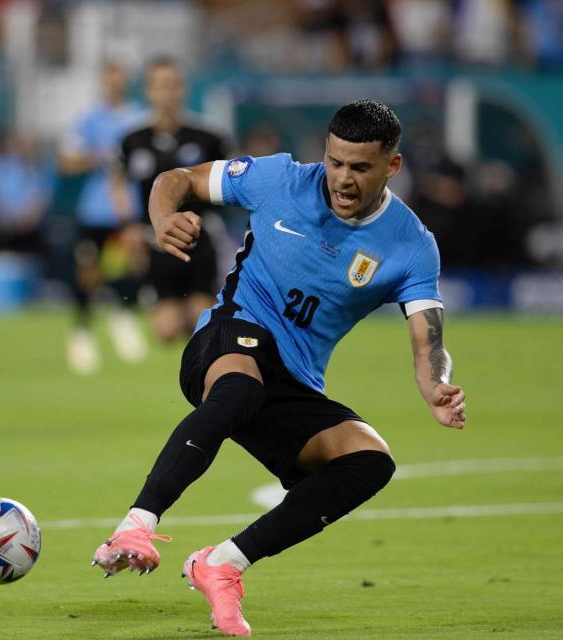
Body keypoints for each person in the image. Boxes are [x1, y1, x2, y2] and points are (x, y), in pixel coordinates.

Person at [91, 100, 466, 636]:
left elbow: (428, 339)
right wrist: (161, 219)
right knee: (240, 389)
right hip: (227, 335)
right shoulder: (277, 178)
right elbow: (175, 180)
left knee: (368, 462)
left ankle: (222, 564)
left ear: (393, 166)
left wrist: (437, 385)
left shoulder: (410, 245)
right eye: (335, 161)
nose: (341, 178)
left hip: (292, 380)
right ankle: (135, 528)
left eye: (360, 167)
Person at [114, 57, 232, 343]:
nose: (167, 93)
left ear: (183, 89)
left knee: (202, 325)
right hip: (155, 242)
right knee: (166, 331)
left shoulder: (209, 137)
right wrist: (129, 224)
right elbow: (117, 182)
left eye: (173, 85)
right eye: (161, 86)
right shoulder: (133, 139)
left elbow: (231, 183)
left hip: (199, 241)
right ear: (148, 91)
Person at [58, 61, 147, 374]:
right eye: (109, 81)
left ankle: (124, 318)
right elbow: (66, 160)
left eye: (118, 81)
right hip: (95, 210)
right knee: (89, 272)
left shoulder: (139, 118)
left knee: (130, 268)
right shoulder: (90, 120)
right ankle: (81, 331)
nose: (114, 87)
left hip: (129, 209)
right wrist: (97, 157)